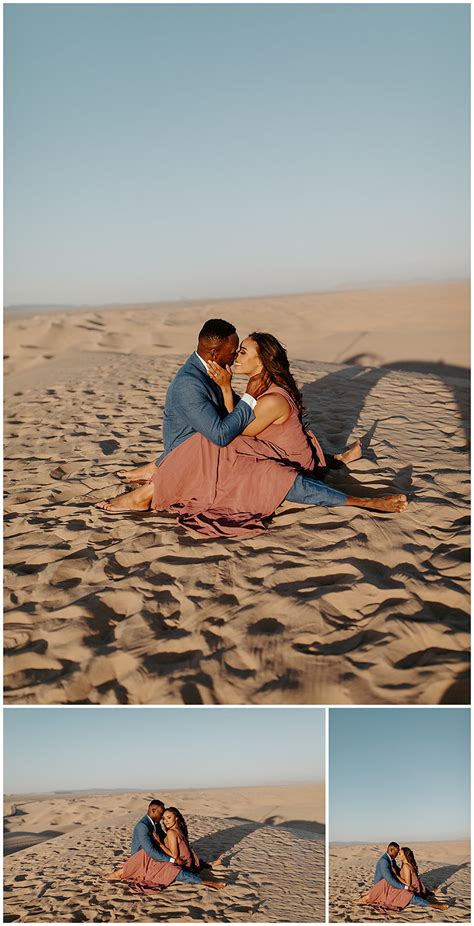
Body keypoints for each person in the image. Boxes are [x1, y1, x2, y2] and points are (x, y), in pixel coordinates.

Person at [97, 326, 408, 535]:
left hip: (285, 459)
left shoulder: (271, 398)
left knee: (249, 464)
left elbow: (235, 433)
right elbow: (237, 426)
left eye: (244, 352)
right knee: (211, 443)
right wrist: (228, 389)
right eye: (237, 350)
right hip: (264, 445)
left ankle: (366, 502)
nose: (237, 356)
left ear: (261, 362)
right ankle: (154, 478)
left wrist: (225, 390)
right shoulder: (256, 384)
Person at [102, 799, 224, 892]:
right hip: (142, 857)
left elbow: (163, 838)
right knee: (168, 867)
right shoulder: (143, 826)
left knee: (181, 862)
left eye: (166, 817)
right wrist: (172, 858)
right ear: (152, 810)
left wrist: (171, 844)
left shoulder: (156, 823)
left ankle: (207, 870)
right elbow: (149, 851)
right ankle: (121, 872)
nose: (162, 818)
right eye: (161, 814)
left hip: (157, 854)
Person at [353, 841, 447, 911]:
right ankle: (368, 896)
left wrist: (403, 880)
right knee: (403, 892)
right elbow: (390, 879)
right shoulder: (384, 861)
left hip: (390, 884)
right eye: (397, 852)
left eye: (400, 853)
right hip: (382, 885)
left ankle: (431, 899)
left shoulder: (392, 859)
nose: (398, 854)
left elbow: (396, 872)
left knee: (411, 892)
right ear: (390, 850)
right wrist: (405, 886)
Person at [161, 806, 222, 874]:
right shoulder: (180, 830)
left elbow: (174, 856)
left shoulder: (171, 832)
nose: (165, 821)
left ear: (176, 818)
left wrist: (160, 844)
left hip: (183, 865)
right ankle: (209, 864)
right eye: (163, 818)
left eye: (169, 817)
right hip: (189, 862)